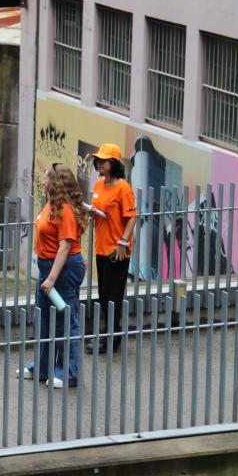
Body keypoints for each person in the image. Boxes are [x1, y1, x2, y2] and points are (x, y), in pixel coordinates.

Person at [21, 163, 87, 388]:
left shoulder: (65, 210)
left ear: (56, 183)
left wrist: (50, 279)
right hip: (48, 267)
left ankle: (68, 373)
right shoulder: (52, 204)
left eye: (47, 177)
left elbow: (65, 247)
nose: (44, 180)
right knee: (45, 319)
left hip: (63, 269)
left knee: (65, 320)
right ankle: (42, 367)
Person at [87, 144, 137, 354]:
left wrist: (123, 243)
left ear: (114, 164)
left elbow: (132, 217)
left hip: (117, 250)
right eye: (98, 160)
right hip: (101, 247)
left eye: (104, 161)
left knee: (112, 295)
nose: (99, 163)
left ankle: (111, 338)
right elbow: (98, 210)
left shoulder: (123, 188)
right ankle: (109, 335)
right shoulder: (99, 185)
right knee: (103, 294)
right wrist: (92, 212)